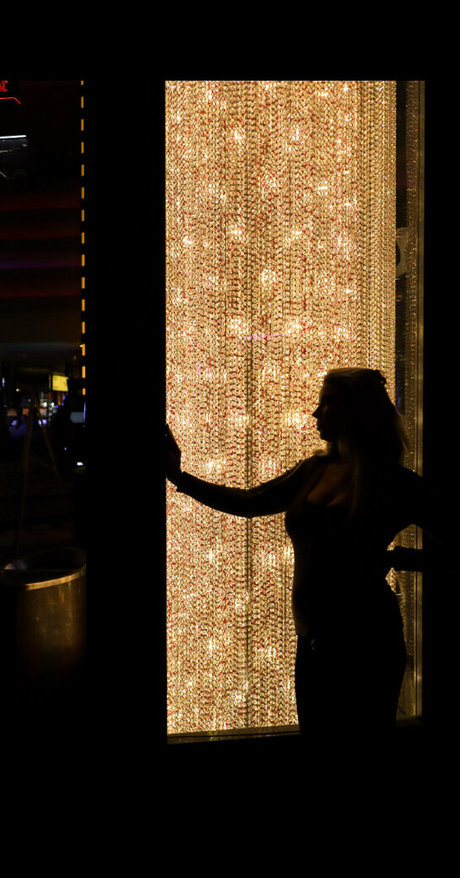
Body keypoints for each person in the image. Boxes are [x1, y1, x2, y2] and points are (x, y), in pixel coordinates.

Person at [166, 367, 444, 741]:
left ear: (356, 410)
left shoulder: (394, 483)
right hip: (312, 640)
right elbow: (249, 501)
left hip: (368, 642)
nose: (315, 413)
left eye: (326, 403)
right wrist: (180, 478)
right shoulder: (314, 469)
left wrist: (396, 559)